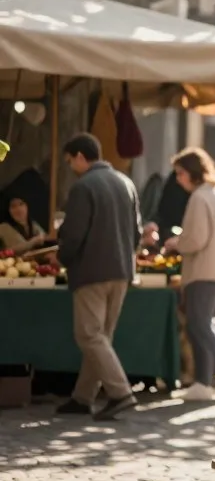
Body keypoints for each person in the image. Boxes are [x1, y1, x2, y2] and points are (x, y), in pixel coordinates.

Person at [55, 133, 141, 420]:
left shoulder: (83, 187)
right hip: (122, 271)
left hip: (92, 271)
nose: (71, 166)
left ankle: (121, 393)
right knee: (101, 337)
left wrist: (63, 257)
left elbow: (74, 235)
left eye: (69, 161)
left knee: (90, 336)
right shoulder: (125, 182)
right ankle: (83, 397)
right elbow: (137, 233)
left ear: (80, 156)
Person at [163, 148, 215, 403]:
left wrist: (176, 242)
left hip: (203, 269)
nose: (178, 179)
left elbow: (195, 239)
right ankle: (205, 382)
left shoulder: (200, 197)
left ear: (192, 172)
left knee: (200, 325)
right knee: (200, 324)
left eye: (180, 173)